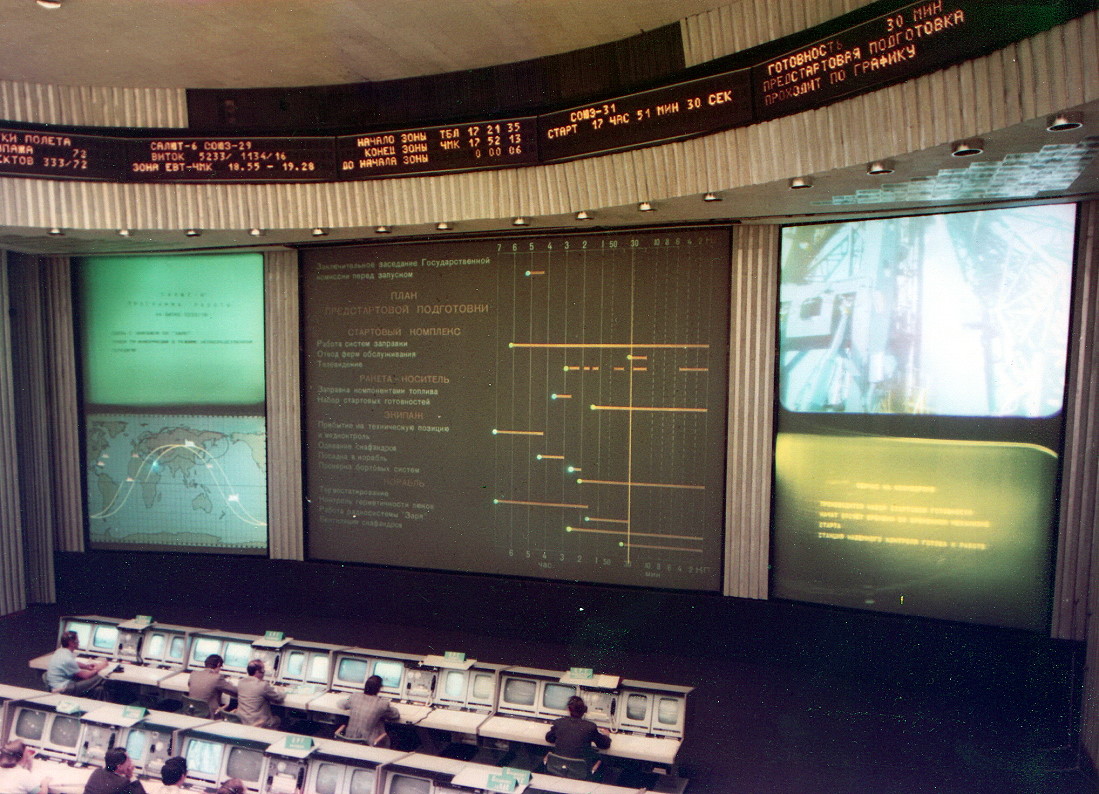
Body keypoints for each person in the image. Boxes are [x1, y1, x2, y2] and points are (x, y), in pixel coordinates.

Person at [544, 696, 611, 776]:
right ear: (584, 711)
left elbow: (549, 738)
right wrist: (606, 735)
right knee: (603, 761)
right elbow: (604, 745)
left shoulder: (559, 723)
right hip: (581, 771)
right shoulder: (590, 727)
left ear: (568, 709)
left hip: (558, 768)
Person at [336, 674, 399, 747]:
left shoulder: (355, 696)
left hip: (348, 741)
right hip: (367, 743)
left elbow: (340, 704)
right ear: (379, 688)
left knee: (378, 722)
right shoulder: (382, 704)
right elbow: (395, 715)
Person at [44, 631, 109, 695]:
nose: (79, 642)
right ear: (71, 643)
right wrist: (99, 668)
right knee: (100, 677)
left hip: (58, 685)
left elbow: (72, 663)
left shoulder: (60, 651)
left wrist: (86, 666)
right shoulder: (67, 659)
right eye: (77, 640)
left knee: (99, 689)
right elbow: (86, 676)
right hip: (63, 689)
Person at [234, 660, 283, 728]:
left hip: (242, 721)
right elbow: (279, 698)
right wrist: (282, 692)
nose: (264, 673)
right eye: (263, 671)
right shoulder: (263, 685)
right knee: (279, 719)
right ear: (257, 672)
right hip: (259, 723)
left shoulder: (241, 682)